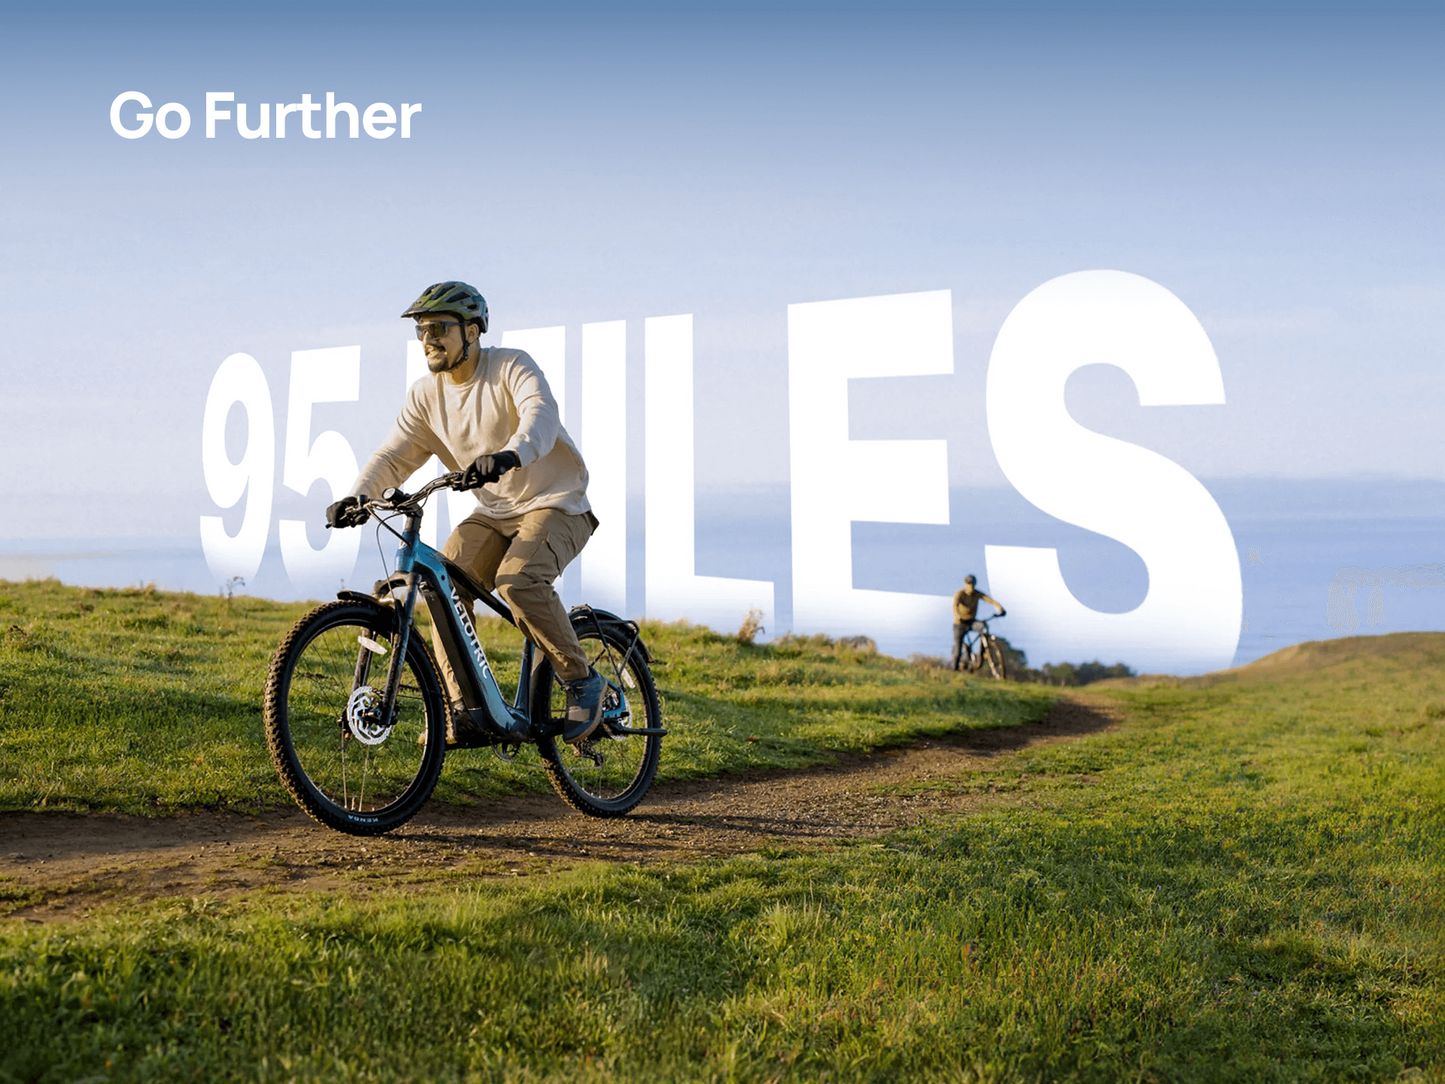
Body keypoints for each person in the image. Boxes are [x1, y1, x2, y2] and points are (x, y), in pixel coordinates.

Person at [325, 281, 604, 745]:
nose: (428, 339)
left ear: (472, 331)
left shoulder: (510, 366)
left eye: (438, 328)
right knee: (440, 586)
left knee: (518, 582)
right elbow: (394, 456)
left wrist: (512, 454)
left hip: (557, 502)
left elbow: (541, 413)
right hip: (495, 512)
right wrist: (359, 496)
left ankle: (581, 679)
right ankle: (466, 711)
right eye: (421, 331)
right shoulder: (425, 396)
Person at [951, 574, 1005, 671]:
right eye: (968, 584)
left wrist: (1000, 608)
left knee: (983, 628)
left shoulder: (977, 594)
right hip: (959, 623)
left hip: (971, 621)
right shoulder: (960, 594)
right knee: (957, 648)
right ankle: (954, 669)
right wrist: (958, 615)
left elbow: (990, 601)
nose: (970, 586)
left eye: (972, 584)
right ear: (965, 584)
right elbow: (954, 606)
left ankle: (982, 654)